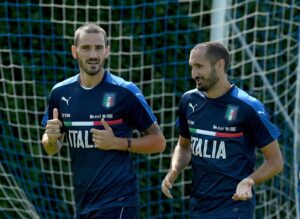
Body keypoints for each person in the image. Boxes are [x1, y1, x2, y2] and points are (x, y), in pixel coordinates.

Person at [41, 23, 166, 219]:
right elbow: (51, 147)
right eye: (86, 48)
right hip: (83, 202)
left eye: (99, 48)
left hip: (119, 201)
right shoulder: (60, 92)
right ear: (74, 51)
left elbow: (159, 142)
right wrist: (50, 138)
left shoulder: (125, 91)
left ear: (107, 51)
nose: (93, 54)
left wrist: (117, 143)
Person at [161, 41, 283, 219]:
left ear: (220, 65)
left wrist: (249, 181)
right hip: (198, 206)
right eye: (191, 67)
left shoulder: (248, 107)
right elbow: (184, 146)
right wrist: (174, 169)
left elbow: (275, 161)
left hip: (234, 207)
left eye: (199, 66)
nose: (194, 73)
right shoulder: (188, 101)